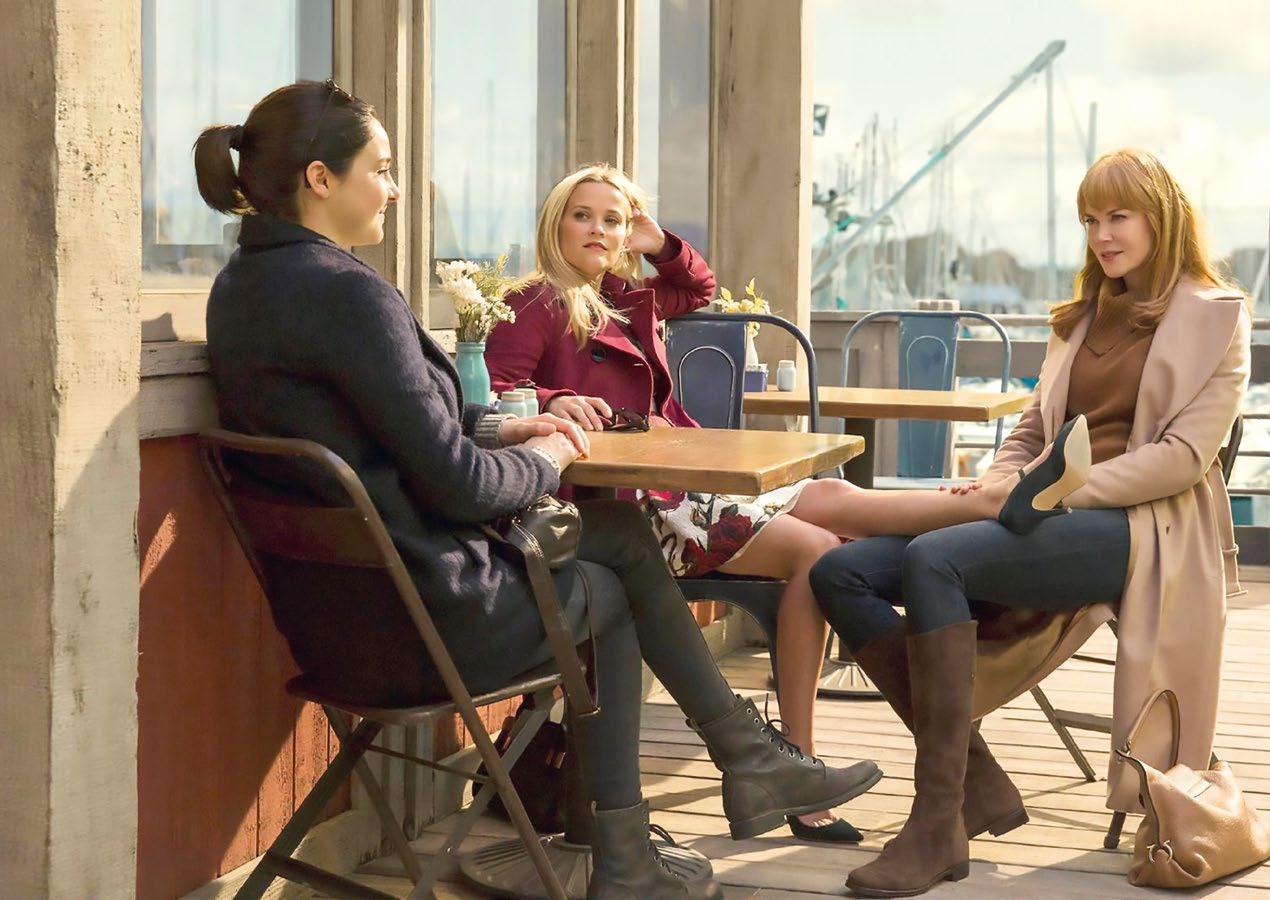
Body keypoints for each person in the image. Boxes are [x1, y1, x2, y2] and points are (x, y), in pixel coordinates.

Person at [193, 81, 883, 900]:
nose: (396, 188)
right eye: (380, 169)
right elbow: (458, 487)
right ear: (320, 179)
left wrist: (502, 424)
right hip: (428, 626)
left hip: (337, 621)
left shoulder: (246, 287)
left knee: (617, 537)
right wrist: (549, 457)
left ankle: (724, 775)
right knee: (613, 582)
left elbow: (387, 419)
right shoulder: (346, 293)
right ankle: (661, 825)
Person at [485, 163, 1079, 840]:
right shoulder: (534, 301)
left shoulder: (620, 296)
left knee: (825, 528)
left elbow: (697, 286)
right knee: (825, 524)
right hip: (622, 510)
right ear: (555, 222)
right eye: (583, 215)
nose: (598, 229)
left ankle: (795, 762)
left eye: (613, 219)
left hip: (677, 489)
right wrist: (556, 399)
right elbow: (494, 394)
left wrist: (658, 242)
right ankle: (990, 507)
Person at [811, 147, 1250, 897]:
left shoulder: (1217, 315)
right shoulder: (1082, 317)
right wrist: (999, 483)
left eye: (1117, 217)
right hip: (1041, 510)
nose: (1101, 235)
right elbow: (1031, 430)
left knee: (936, 559)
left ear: (1162, 218)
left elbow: (1181, 459)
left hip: (1142, 530)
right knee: (839, 570)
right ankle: (974, 778)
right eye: (1089, 220)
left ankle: (936, 821)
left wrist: (1055, 495)